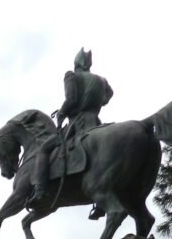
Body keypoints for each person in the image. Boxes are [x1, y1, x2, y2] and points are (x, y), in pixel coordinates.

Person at [29, 48, 114, 211]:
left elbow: (71, 99)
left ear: (76, 63)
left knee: (43, 149)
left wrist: (62, 113)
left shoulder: (71, 76)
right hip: (95, 122)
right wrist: (98, 102)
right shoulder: (101, 80)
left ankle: (39, 191)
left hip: (77, 124)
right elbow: (109, 95)